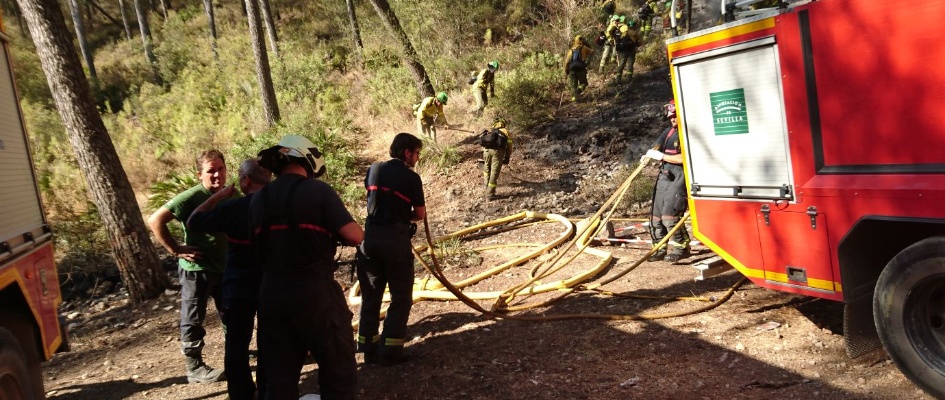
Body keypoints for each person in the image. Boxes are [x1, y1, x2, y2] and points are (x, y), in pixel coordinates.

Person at [250, 135, 363, 399]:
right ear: (309, 160)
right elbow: (355, 235)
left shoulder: (258, 198)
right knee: (338, 368)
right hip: (315, 293)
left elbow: (255, 246)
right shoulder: (318, 191)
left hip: (271, 294)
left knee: (280, 377)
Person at [187, 158, 271, 400]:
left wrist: (218, 197)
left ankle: (241, 394)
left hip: (238, 286)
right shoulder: (278, 207)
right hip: (270, 284)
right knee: (268, 341)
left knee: (236, 344)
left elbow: (194, 221)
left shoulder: (232, 208)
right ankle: (267, 391)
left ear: (245, 180)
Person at [147, 150, 228, 384]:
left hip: (224, 268)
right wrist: (176, 249)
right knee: (193, 318)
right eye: (210, 171)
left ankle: (235, 353)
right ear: (199, 174)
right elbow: (155, 220)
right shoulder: (191, 197)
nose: (217, 175)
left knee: (230, 314)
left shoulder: (229, 195)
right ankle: (194, 367)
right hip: (196, 270)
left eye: (220, 169)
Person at [356, 133, 426, 366]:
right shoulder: (411, 178)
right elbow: (420, 214)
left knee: (371, 296)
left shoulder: (373, 169)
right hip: (395, 242)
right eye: (416, 153)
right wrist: (404, 217)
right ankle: (391, 351)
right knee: (401, 297)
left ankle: (368, 349)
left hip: (369, 240)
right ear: (407, 153)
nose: (417, 157)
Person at [641, 101, 691, 263]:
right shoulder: (668, 132)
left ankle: (681, 248)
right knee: (655, 217)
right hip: (664, 175)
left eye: (675, 116)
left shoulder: (687, 135)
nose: (673, 120)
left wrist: (663, 157)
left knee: (670, 216)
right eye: (670, 117)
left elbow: (685, 158)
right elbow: (656, 146)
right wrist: (649, 155)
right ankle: (659, 248)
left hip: (679, 176)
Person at [480, 118, 513, 200]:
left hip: (486, 151)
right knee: (494, 171)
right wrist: (507, 157)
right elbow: (509, 146)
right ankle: (490, 194)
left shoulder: (492, 130)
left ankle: (486, 186)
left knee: (487, 168)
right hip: (497, 152)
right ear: (503, 124)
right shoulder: (505, 131)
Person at [564, 35, 594, 102]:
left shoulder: (570, 51)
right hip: (581, 69)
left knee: (573, 86)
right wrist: (587, 45)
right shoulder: (584, 48)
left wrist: (566, 70)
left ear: (575, 41)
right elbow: (592, 52)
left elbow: (567, 62)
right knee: (584, 83)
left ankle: (574, 99)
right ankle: (579, 89)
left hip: (572, 70)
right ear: (582, 40)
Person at [614, 16, 641, 84]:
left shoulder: (621, 32)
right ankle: (629, 79)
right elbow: (637, 41)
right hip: (630, 50)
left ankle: (618, 80)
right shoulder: (633, 32)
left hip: (622, 51)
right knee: (630, 64)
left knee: (621, 65)